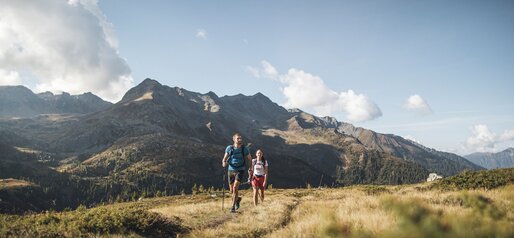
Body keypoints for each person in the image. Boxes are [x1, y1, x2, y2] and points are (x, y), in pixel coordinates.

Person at [222, 133, 252, 213]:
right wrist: (224, 162)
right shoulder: (229, 148)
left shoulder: (244, 149)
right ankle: (237, 199)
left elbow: (250, 159)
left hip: (240, 170)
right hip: (231, 169)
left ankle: (233, 207)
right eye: (238, 138)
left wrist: (250, 168)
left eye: (240, 138)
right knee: (232, 190)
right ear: (234, 139)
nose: (240, 140)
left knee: (235, 188)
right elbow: (224, 158)